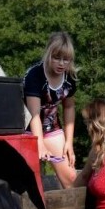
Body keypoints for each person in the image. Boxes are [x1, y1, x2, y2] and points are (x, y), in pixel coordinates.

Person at [24, 31, 78, 189]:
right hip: (28, 129)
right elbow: (34, 115)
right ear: (48, 54)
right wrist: (39, 143)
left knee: (71, 177)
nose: (61, 63)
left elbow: (69, 107)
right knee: (32, 180)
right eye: (56, 58)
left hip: (51, 127)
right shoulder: (35, 75)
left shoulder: (70, 78)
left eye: (66, 59)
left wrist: (69, 142)